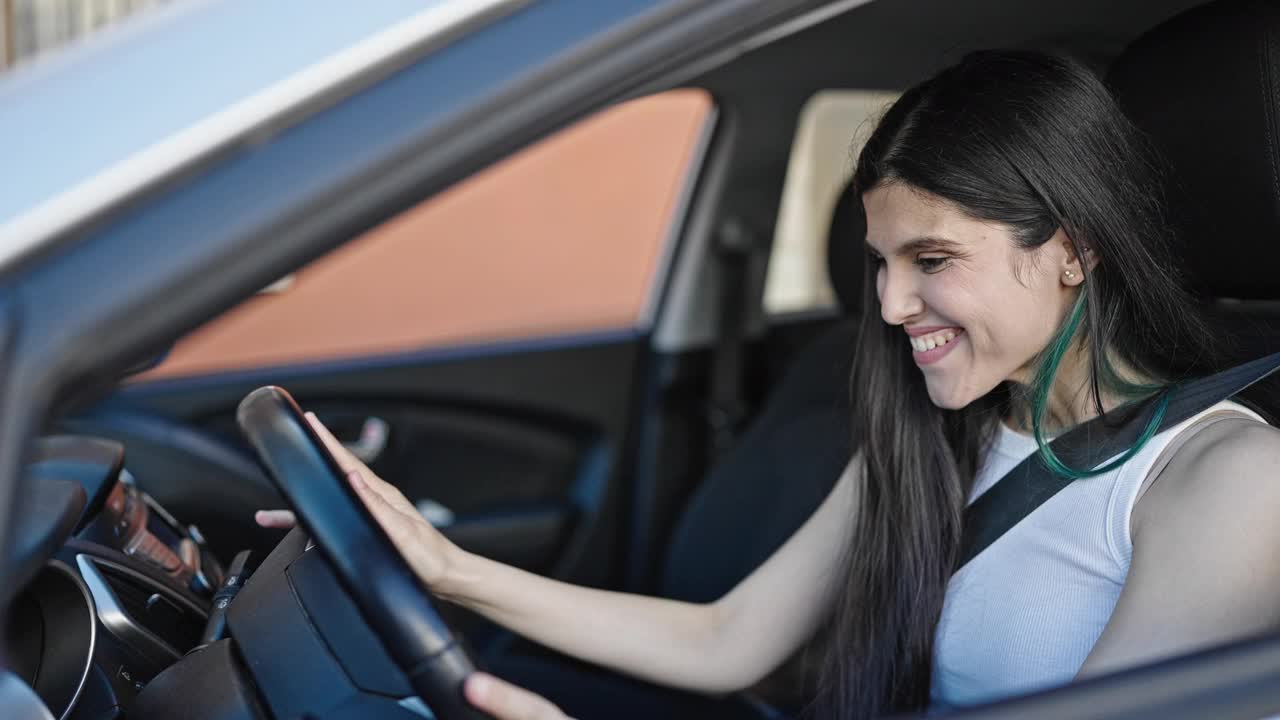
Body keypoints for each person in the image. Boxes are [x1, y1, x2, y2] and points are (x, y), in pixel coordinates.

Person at [256, 51, 1280, 719]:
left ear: (1070, 249)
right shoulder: (952, 427)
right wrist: (445, 569)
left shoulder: (1222, 480)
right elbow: (725, 639)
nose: (884, 306)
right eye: (877, 263)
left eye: (930, 260)